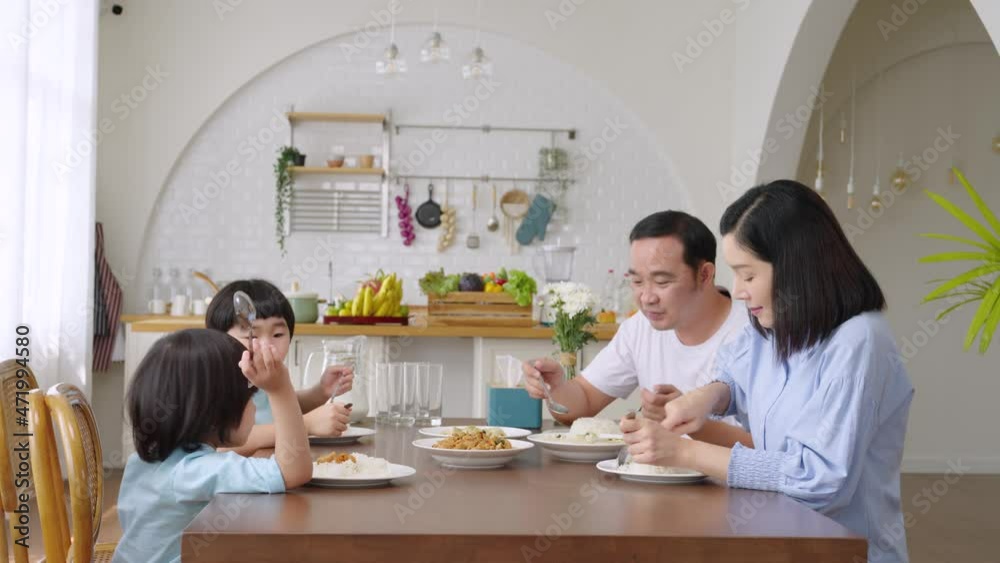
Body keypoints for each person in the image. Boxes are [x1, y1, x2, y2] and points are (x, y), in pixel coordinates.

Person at [621, 180, 913, 563]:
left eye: (749, 275)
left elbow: (819, 480)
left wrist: (684, 453)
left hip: (845, 552)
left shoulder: (858, 341)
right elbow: (735, 375)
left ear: (796, 266)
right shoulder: (775, 327)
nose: (739, 291)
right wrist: (709, 395)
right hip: (777, 541)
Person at [523, 210, 752, 447]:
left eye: (662, 282)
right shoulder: (640, 328)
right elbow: (583, 401)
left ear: (704, 275)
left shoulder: (756, 334)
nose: (647, 297)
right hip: (654, 477)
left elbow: (776, 454)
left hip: (731, 482)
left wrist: (689, 422)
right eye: (637, 282)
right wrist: (556, 388)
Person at [113, 329, 312, 563]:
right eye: (249, 398)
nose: (255, 408)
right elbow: (293, 471)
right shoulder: (195, 471)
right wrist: (280, 390)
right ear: (215, 412)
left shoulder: (145, 459)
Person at [205, 279, 354, 455]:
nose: (267, 345)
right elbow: (222, 444)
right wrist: (305, 425)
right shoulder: (215, 384)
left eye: (277, 334)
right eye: (251, 336)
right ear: (218, 340)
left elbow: (276, 407)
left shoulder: (263, 379)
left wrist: (319, 392)